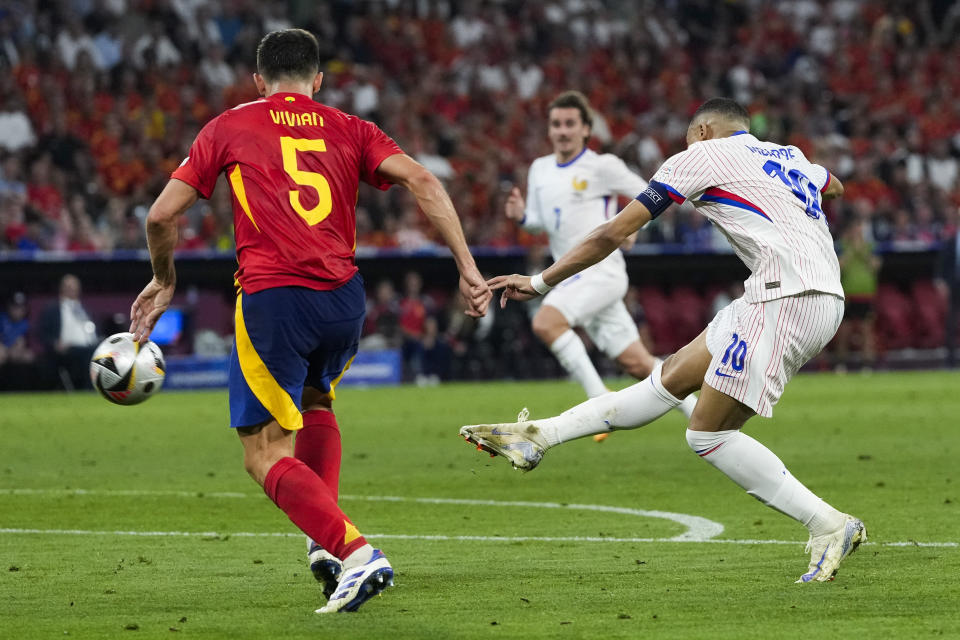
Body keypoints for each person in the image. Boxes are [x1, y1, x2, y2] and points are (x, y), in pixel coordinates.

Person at [128, 29, 490, 614]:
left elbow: (160, 215)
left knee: (263, 453)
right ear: (318, 80)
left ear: (258, 81)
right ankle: (324, 542)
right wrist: (468, 268)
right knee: (317, 403)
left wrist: (165, 279)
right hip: (343, 301)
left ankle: (356, 553)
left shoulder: (229, 125)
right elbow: (424, 180)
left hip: (276, 299)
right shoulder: (353, 127)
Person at [462, 98, 866, 584]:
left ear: (702, 131)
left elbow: (614, 231)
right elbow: (834, 186)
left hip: (785, 295)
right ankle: (540, 437)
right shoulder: (788, 154)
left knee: (707, 434)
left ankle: (828, 524)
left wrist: (540, 281)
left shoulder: (700, 155)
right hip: (811, 292)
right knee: (668, 378)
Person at [505, 90, 696, 426]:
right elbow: (541, 221)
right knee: (637, 363)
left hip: (601, 272)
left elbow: (653, 192)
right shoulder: (540, 169)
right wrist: (523, 217)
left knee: (546, 322)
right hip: (571, 276)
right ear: (549, 130)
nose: (562, 131)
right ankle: (698, 412)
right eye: (556, 124)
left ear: (586, 129)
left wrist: (630, 225)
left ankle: (598, 400)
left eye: (569, 124)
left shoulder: (601, 166)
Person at [834, 218, 881, 370]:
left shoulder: (870, 247)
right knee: (844, 331)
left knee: (866, 329)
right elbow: (838, 267)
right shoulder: (841, 246)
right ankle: (841, 363)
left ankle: (867, 363)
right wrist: (850, 251)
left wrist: (861, 251)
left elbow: (876, 266)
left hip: (865, 295)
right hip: (847, 295)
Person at [40, 274, 99, 390]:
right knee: (89, 354)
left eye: (74, 287)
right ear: (61, 288)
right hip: (67, 349)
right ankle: (89, 390)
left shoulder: (85, 309)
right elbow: (42, 333)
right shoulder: (53, 309)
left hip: (90, 347)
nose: (71, 289)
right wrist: (55, 343)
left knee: (100, 351)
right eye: (68, 286)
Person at [934, 207, 960, 368]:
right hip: (955, 285)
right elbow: (942, 263)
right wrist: (940, 281)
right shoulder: (951, 240)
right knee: (951, 322)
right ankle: (950, 359)